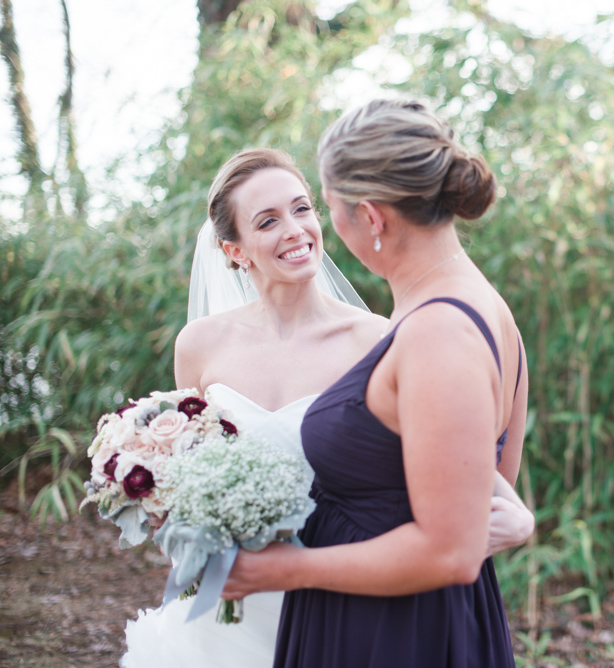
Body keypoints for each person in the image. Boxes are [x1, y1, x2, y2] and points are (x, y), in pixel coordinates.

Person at [120, 148, 533, 667]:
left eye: (302, 209)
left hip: (338, 593)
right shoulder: (199, 345)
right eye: (268, 221)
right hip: (233, 599)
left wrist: (514, 515)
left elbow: (461, 471)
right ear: (233, 250)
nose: (294, 229)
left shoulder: (378, 338)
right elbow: (193, 470)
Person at [220, 99, 526, 667]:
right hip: (402, 617)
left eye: (324, 207)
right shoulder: (477, 309)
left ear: (372, 216)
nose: (318, 228)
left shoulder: (437, 331)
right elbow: (488, 491)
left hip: (397, 633)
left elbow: (452, 550)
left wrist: (287, 569)